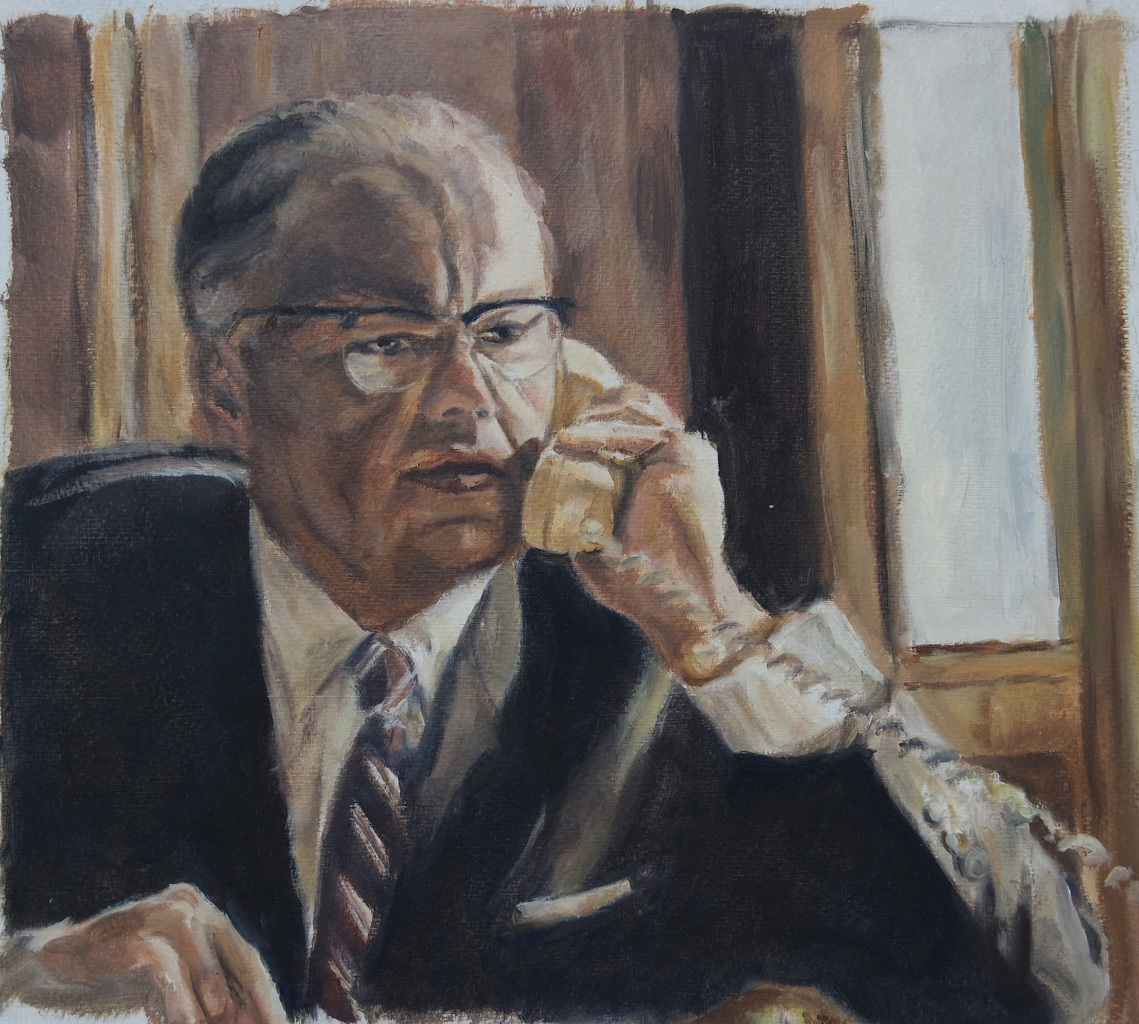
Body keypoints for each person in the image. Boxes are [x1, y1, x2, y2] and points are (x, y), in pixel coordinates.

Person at [0, 95, 1110, 1024]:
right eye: (385, 342)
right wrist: (22, 979)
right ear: (228, 386)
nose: (468, 402)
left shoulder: (651, 644)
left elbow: (1044, 988)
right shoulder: (46, 578)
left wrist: (718, 626)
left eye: (505, 330)